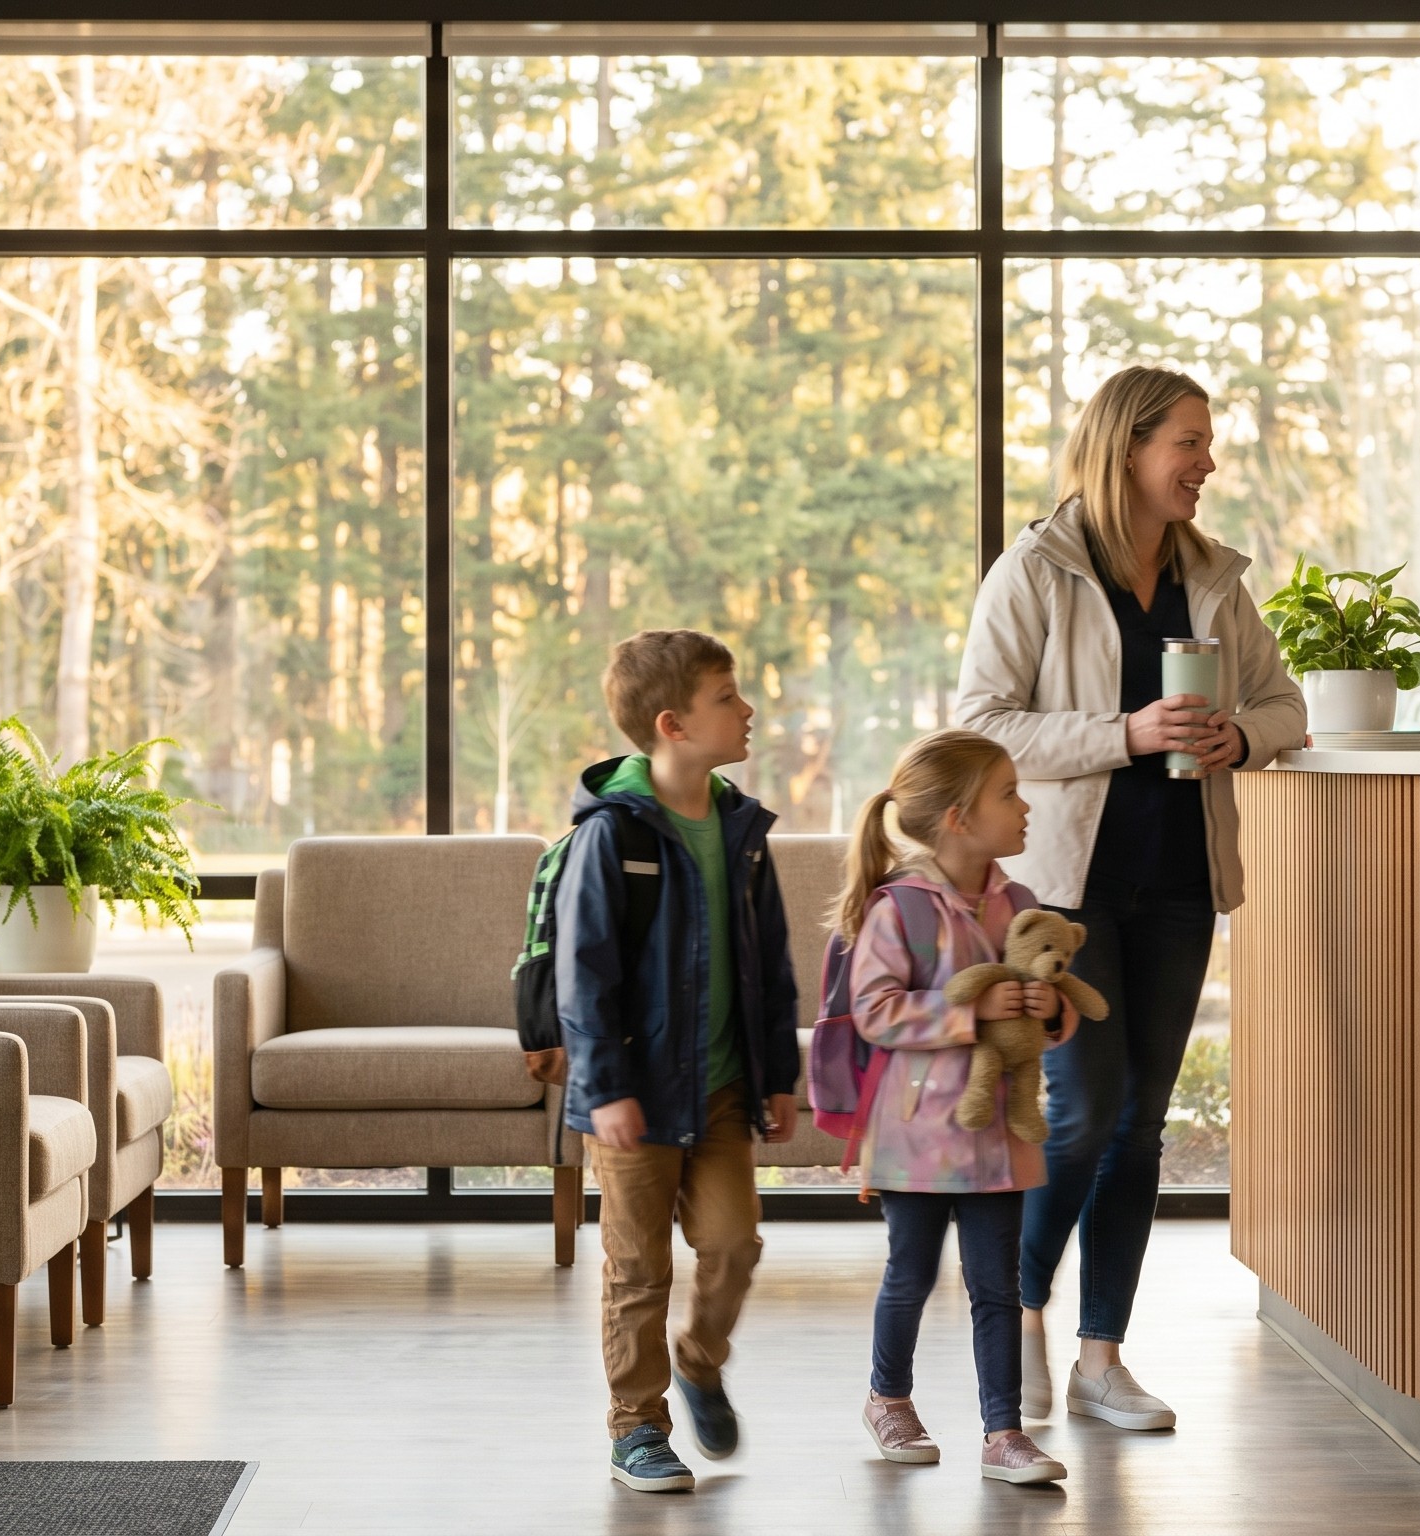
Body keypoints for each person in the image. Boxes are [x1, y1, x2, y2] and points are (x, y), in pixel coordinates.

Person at [955, 365, 1306, 1431]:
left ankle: (1099, 1358)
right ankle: (1012, 1314)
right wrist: (1125, 735)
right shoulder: (1037, 569)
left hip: (1180, 886)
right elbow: (980, 723)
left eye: (1205, 445)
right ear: (1127, 450)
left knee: (1141, 1127)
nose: (1205, 465)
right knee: (1086, 1112)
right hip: (1065, 898)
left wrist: (1238, 736)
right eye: (1188, 444)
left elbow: (1284, 703)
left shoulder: (1213, 578)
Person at [556, 628, 803, 1493]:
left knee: (733, 1245)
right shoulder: (610, 835)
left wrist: (779, 1077)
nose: (747, 710)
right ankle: (637, 1429)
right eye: (728, 697)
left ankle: (700, 1361)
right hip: (633, 1096)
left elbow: (769, 964)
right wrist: (604, 1088)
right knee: (637, 1269)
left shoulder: (741, 828)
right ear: (673, 724)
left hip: (726, 1088)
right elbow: (581, 974)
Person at [840, 729, 1072, 1486]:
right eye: (1008, 792)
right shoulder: (899, 908)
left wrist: (1048, 1008)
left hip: (1000, 1135)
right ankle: (889, 1399)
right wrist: (966, 1013)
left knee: (997, 1284)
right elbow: (873, 1011)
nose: (1025, 804)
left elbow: (1051, 1011)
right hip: (916, 1137)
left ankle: (1003, 1433)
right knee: (909, 1274)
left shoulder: (1022, 904)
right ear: (959, 819)